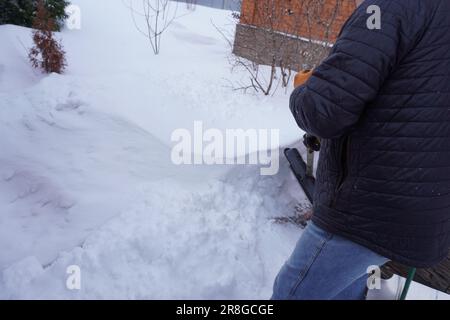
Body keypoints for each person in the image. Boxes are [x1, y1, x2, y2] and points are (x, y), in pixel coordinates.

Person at [272, 0, 450, 300]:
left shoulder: (386, 8)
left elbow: (323, 111)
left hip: (369, 209)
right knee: (346, 288)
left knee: (293, 291)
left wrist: (306, 89)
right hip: (428, 210)